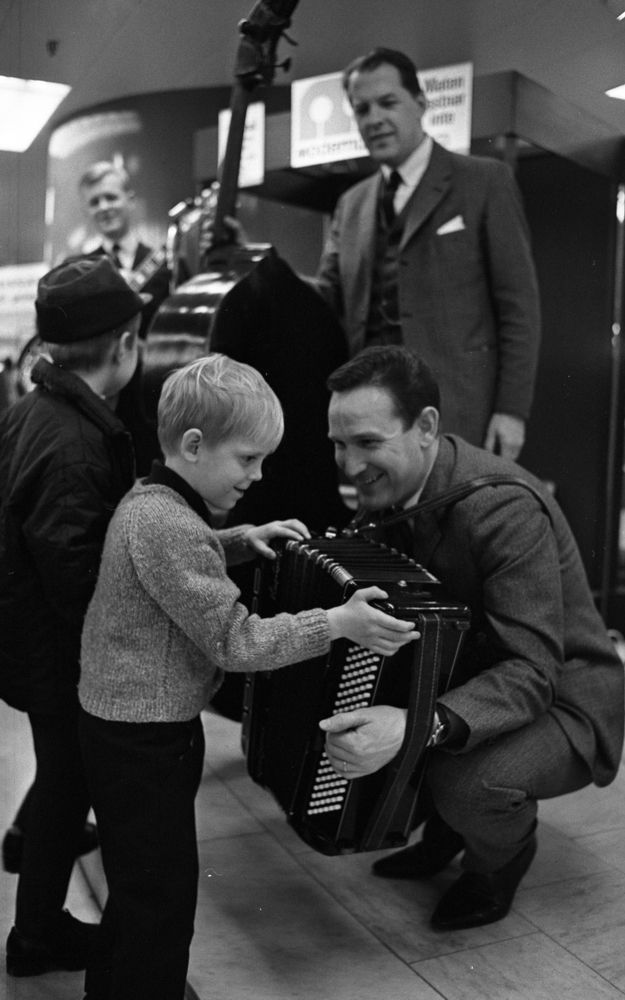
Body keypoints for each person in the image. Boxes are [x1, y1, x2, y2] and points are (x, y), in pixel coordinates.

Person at [77, 353, 417, 1000]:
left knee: (140, 885)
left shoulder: (154, 502)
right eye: (248, 459)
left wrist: (240, 539)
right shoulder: (168, 526)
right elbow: (237, 642)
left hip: (125, 729)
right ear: (194, 445)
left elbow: (181, 556)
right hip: (143, 741)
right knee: (162, 899)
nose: (257, 475)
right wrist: (336, 622)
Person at [320, 345, 624, 932]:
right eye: (338, 443)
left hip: (566, 696)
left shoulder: (501, 507)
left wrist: (414, 725)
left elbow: (532, 671)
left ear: (426, 427)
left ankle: (498, 860)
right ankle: (445, 834)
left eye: (368, 443)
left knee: (468, 781)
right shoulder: (393, 494)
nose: (349, 465)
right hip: (484, 677)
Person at [0, 257, 142, 975]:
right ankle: (35, 936)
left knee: (60, 780)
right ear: (125, 344)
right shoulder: (75, 444)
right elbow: (77, 574)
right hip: (58, 654)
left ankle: (33, 906)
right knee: (66, 786)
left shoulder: (37, 412)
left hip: (31, 640)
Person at [316, 48, 541, 461]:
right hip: (372, 425)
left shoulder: (484, 181)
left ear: (420, 103)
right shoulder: (351, 204)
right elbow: (324, 299)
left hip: (460, 413)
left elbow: (518, 308)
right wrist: (257, 268)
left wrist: (512, 411)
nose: (374, 119)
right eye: (362, 109)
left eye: (388, 102)